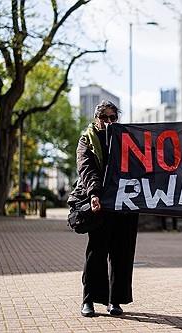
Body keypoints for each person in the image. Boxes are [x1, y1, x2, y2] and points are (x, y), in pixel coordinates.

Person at [68, 100, 139, 317]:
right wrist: (94, 194)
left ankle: (114, 300)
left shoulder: (127, 139)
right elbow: (87, 169)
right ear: (96, 119)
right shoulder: (87, 140)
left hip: (125, 205)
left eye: (113, 118)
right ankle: (88, 300)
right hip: (100, 204)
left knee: (121, 254)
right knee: (97, 252)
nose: (109, 122)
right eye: (104, 117)